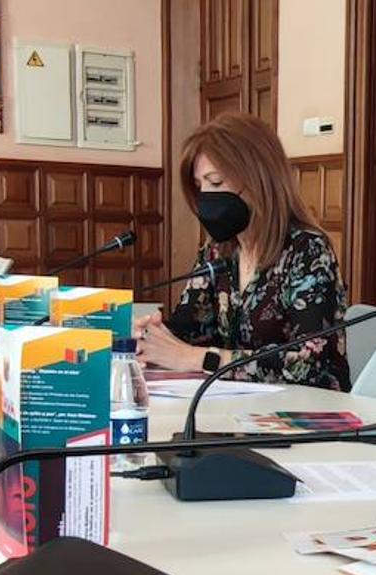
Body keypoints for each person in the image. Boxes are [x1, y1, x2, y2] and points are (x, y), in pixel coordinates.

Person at [135, 113, 350, 391]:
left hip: (309, 408)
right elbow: (188, 331)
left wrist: (199, 359)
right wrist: (150, 338)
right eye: (199, 187)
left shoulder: (308, 249)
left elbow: (308, 362)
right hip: (236, 405)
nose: (206, 197)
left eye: (215, 182)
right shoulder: (217, 250)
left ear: (258, 178)